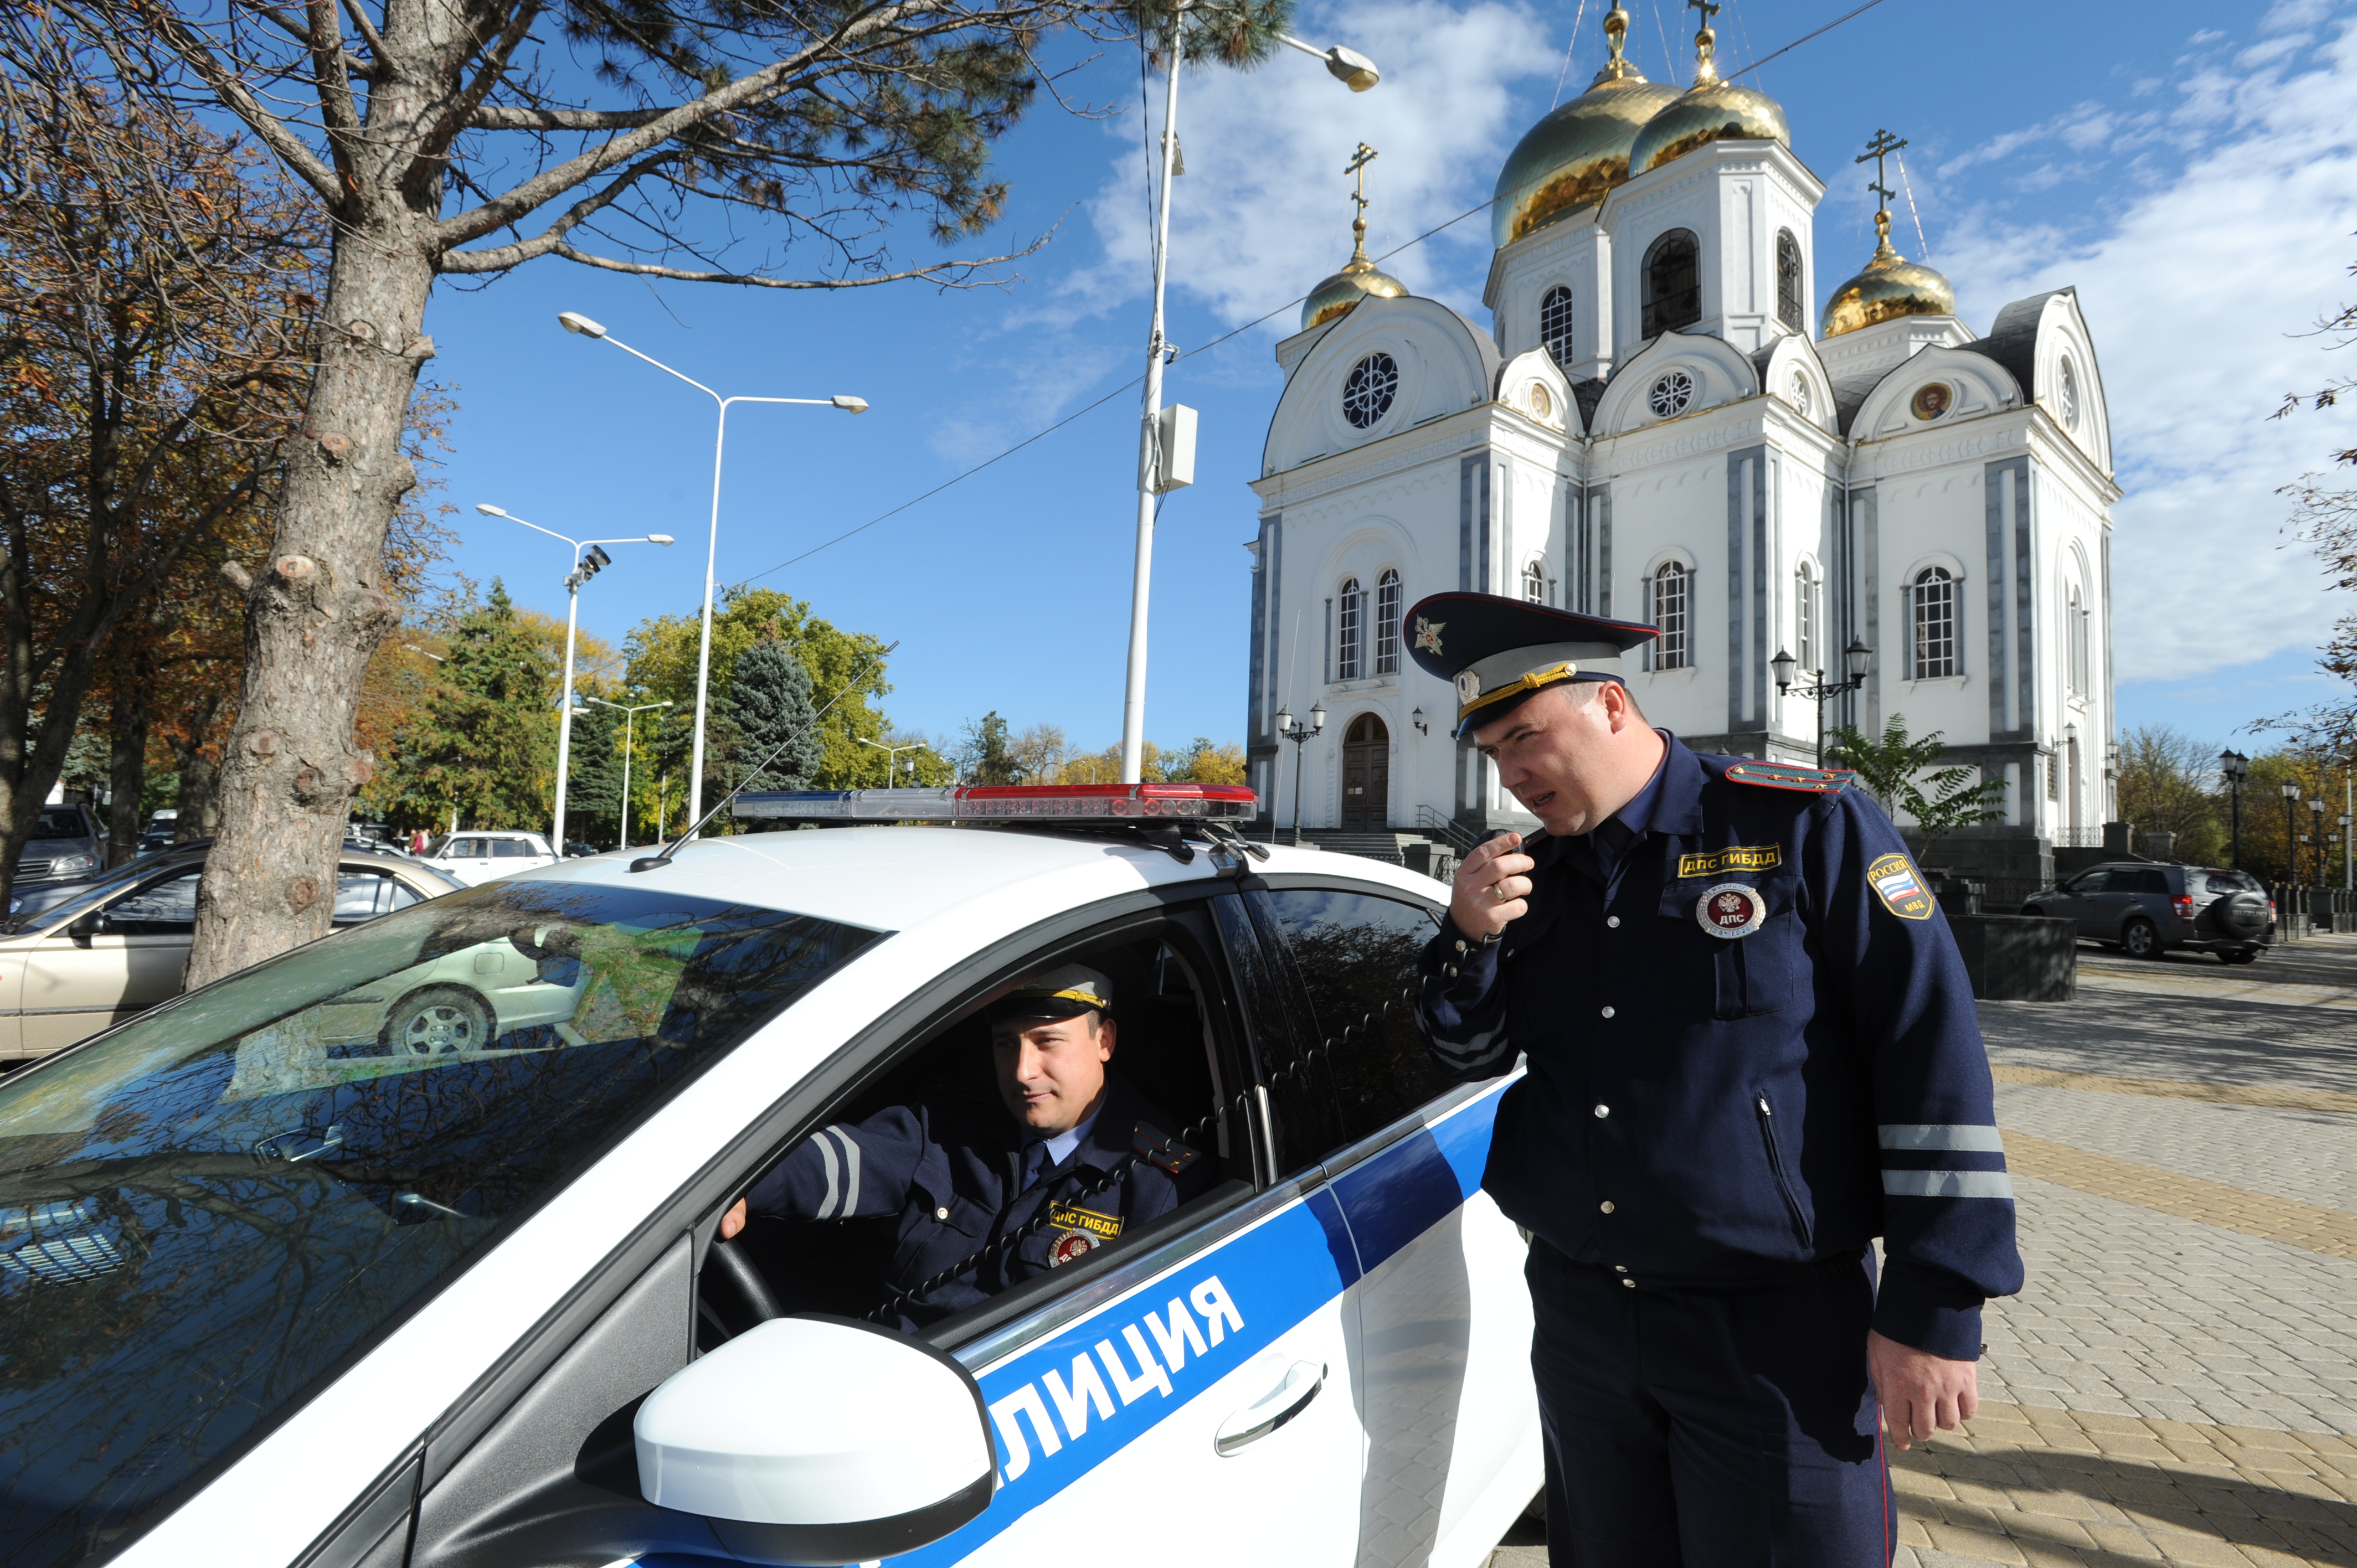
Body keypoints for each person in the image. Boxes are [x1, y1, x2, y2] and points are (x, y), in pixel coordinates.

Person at [1406, 591, 2023, 1566]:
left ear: (1610, 706)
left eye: (1527, 736)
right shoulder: (1534, 880)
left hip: (1773, 1332)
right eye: (1493, 754)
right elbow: (1468, 1061)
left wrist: (1935, 1304)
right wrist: (1468, 941)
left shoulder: (1805, 826)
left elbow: (1928, 1054)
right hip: (1584, 1322)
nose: (1514, 773)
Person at [719, 964, 1210, 1328]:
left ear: (1104, 1041)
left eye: (1047, 1042)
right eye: (1005, 1044)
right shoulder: (954, 1124)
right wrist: (738, 1179)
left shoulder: (1158, 1185)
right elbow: (840, 1162)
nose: (1022, 1072)